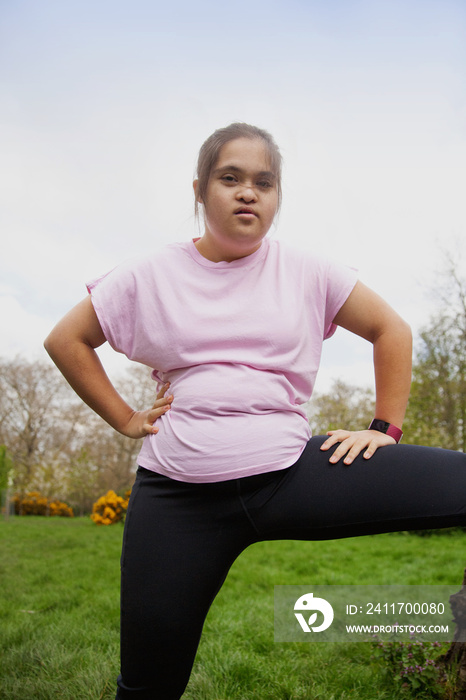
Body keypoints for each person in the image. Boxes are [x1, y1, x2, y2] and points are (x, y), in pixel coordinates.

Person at [44, 122, 466, 700]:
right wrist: (123, 417)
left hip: (289, 472)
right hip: (178, 494)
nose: (248, 192)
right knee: (147, 685)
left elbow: (390, 328)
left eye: (264, 182)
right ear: (200, 190)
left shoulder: (308, 269)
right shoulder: (148, 274)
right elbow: (66, 339)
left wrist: (384, 428)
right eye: (230, 178)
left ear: (277, 197)